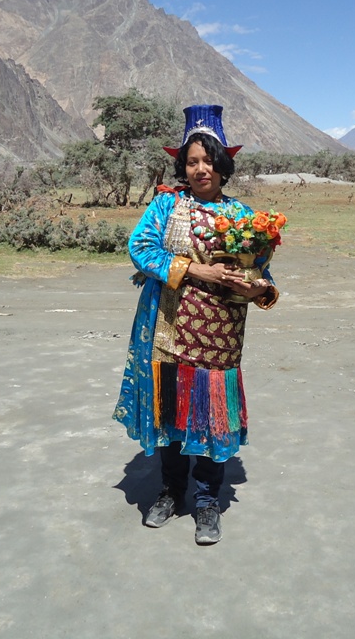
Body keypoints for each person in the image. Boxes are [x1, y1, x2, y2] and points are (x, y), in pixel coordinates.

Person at [113, 104, 279, 545]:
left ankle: (207, 500)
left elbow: (261, 273)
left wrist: (257, 288)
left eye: (208, 160)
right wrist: (196, 270)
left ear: (222, 164)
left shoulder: (245, 217)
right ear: (182, 166)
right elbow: (142, 249)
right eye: (192, 161)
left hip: (218, 338)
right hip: (167, 330)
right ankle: (170, 491)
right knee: (170, 415)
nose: (201, 168)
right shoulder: (167, 205)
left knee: (211, 419)